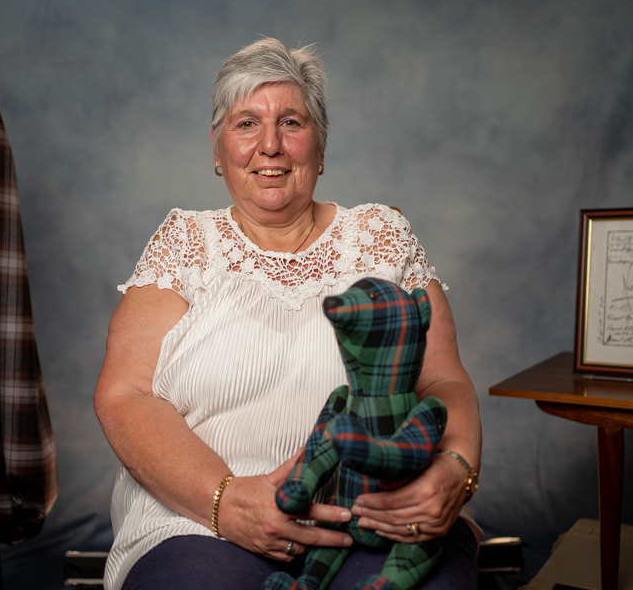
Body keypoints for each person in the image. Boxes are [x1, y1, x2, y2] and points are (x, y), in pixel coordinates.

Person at [94, 37, 482, 590]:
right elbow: (124, 394)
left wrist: (457, 470)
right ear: (217, 148)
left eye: (292, 123)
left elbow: (444, 380)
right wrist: (225, 501)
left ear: (320, 146)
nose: (270, 145)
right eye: (246, 123)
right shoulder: (185, 242)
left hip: (379, 514)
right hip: (201, 520)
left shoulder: (380, 235)